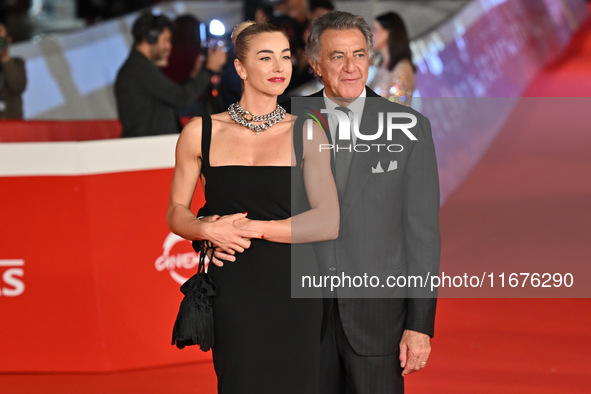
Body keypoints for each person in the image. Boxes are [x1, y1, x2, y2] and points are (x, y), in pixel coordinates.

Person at [166, 21, 339, 393]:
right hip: (235, 289)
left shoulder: (308, 131)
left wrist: (250, 228)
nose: (279, 67)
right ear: (241, 68)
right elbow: (176, 212)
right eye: (266, 58)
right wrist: (206, 229)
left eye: (285, 57)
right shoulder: (201, 132)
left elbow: (328, 220)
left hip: (297, 287)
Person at [302, 11, 440, 393]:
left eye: (359, 55)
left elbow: (423, 234)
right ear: (315, 64)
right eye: (337, 57)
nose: (351, 68)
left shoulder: (410, 129)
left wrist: (419, 325)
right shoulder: (290, 124)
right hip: (302, 321)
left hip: (378, 320)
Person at [115, 10, 227, 138]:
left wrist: (194, 75)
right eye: (166, 40)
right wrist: (209, 69)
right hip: (149, 149)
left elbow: (173, 96)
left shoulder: (138, 67)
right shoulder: (139, 68)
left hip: (150, 146)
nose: (169, 47)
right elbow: (182, 98)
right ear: (150, 38)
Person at [370, 11, 416, 105]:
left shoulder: (402, 69)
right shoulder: (382, 66)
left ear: (389, 32)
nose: (371, 34)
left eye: (375, 29)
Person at [0, 22, 27, 119]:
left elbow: (18, 86)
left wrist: (5, 58)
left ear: (9, 39)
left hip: (12, 123)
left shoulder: (17, 63)